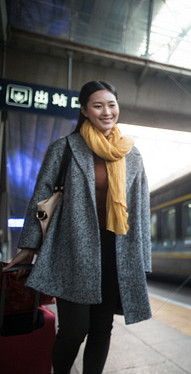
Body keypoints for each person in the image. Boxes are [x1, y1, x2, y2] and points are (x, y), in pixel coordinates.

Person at [2, 81, 152, 374]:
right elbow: (41, 197)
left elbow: (141, 211)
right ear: (84, 110)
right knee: (74, 329)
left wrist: (142, 259)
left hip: (114, 253)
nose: (106, 112)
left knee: (102, 327)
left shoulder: (131, 155)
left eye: (111, 104)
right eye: (98, 106)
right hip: (71, 250)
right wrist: (28, 245)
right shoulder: (65, 148)